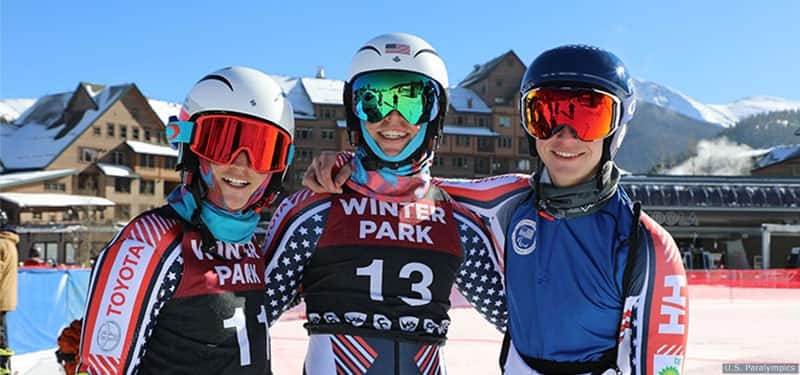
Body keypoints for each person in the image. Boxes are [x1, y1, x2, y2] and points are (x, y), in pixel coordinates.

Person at [304, 45, 689, 374]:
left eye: (589, 117)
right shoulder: (508, 201)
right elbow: (407, 185)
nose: (564, 137)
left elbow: (660, 358)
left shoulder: (646, 243)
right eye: (547, 115)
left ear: (617, 127)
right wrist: (347, 164)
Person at [263, 32, 507, 374]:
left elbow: (520, 324)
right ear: (354, 111)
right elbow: (248, 321)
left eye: (412, 101)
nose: (392, 118)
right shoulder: (313, 210)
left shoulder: (457, 221)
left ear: (435, 114)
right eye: (373, 100)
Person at [77, 66, 295, 374]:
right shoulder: (151, 242)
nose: (241, 164)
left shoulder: (248, 247)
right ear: (190, 145)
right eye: (223, 143)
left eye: (262, 150)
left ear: (278, 168)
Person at [0, 209, 18, 375]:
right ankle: (5, 366)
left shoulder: (1, 243)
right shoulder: (9, 242)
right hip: (5, 296)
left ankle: (2, 367)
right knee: (2, 332)